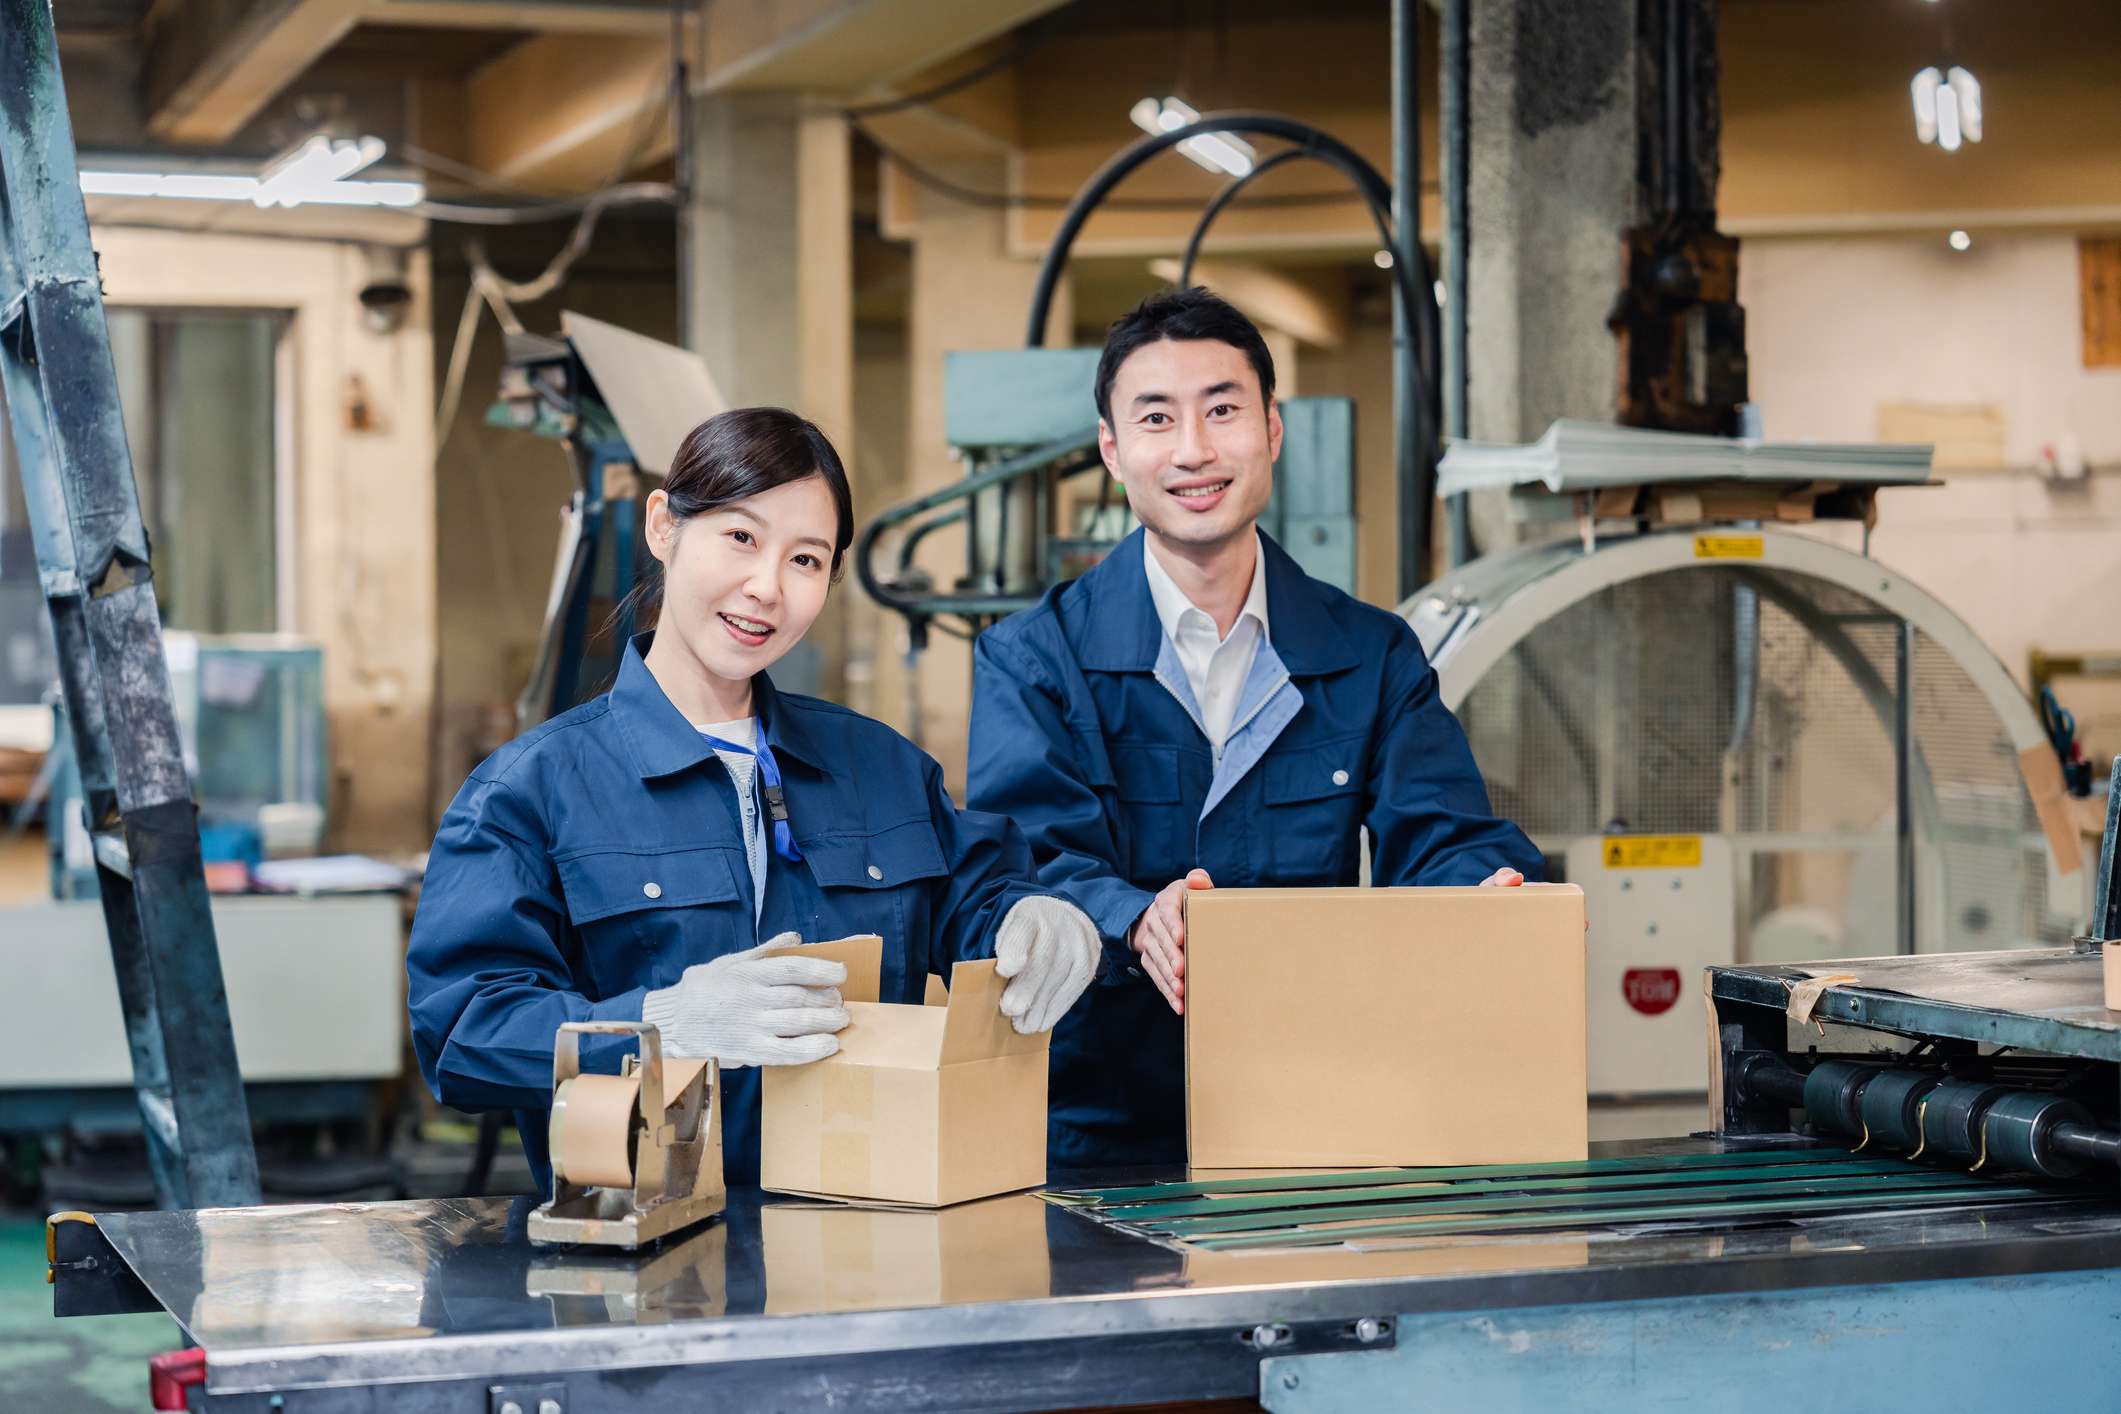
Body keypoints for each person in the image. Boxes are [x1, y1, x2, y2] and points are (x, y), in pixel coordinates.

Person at [409, 407, 1100, 1193]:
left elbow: (977, 894)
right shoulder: (528, 790)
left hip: (861, 1252)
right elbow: (464, 1036)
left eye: (805, 560)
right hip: (644, 1257)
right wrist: (659, 1026)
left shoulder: (879, 768)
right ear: (664, 527)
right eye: (740, 538)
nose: (765, 588)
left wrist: (1031, 915)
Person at [967, 288, 1542, 1168]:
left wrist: (1485, 894)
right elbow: (1021, 867)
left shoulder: (1369, 653)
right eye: (1156, 419)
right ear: (1113, 454)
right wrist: (1131, 916)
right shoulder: (1034, 660)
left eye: (1223, 410)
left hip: (1315, 1106)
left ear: (1272, 430)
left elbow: (1439, 834)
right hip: (1098, 1128)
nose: (1194, 450)